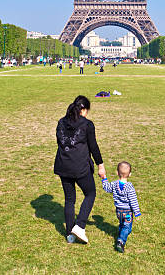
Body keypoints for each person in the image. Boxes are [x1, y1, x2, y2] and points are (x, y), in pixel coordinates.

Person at [54, 95, 106, 244]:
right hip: (79, 166)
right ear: (83, 110)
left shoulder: (61, 122)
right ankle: (80, 226)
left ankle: (70, 234)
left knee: (69, 199)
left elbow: (60, 142)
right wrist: (100, 165)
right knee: (90, 193)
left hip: (63, 164)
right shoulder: (87, 125)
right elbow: (93, 146)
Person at [101, 161, 141, 253]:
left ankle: (120, 234)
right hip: (127, 212)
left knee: (122, 223)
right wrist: (137, 211)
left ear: (117, 173)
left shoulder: (115, 184)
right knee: (127, 227)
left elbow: (107, 188)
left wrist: (104, 178)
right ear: (130, 174)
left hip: (118, 211)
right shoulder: (129, 187)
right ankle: (121, 241)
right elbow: (133, 200)